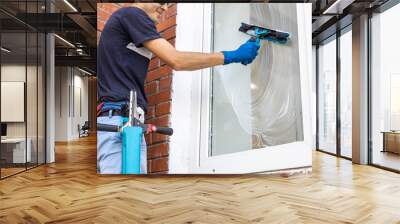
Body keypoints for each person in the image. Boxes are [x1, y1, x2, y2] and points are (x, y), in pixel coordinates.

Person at [97, 3, 260, 174]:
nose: (165, 8)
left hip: (127, 123)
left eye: (169, 4)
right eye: (162, 2)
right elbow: (177, 60)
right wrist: (232, 55)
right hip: (119, 123)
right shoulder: (132, 14)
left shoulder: (129, 22)